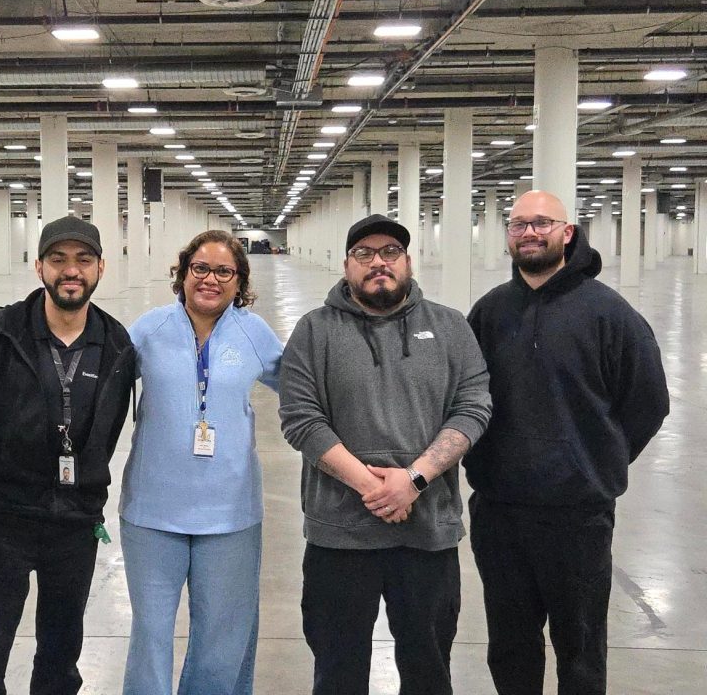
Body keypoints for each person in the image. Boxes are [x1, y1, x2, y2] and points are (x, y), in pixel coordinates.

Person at [465, 190, 669, 695]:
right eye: (518, 225)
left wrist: (595, 459)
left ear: (567, 232)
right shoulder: (490, 311)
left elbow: (648, 402)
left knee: (580, 649)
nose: (529, 233)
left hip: (578, 516)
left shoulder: (609, 313)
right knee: (510, 644)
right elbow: (465, 398)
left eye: (542, 223)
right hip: (500, 512)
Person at [279, 213, 492, 695]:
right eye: (364, 253)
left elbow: (473, 406)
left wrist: (414, 480)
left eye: (391, 252)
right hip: (339, 536)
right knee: (337, 673)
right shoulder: (314, 330)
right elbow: (300, 418)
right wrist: (375, 488)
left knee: (428, 671)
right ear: (347, 265)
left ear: (408, 262)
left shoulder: (450, 326)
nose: (379, 262)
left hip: (427, 532)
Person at [0, 215, 136, 695]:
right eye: (58, 259)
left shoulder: (116, 344)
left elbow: (110, 427)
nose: (71, 270)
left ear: (100, 268)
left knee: (61, 653)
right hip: (1, 522)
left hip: (75, 523)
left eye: (83, 260)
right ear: (39, 268)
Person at [119, 230, 283, 695]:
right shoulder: (149, 329)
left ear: (239, 280)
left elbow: (303, 389)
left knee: (222, 639)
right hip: (152, 511)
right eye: (201, 268)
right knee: (150, 635)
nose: (211, 279)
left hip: (230, 514)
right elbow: (100, 387)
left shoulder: (254, 333)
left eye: (224, 271)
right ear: (184, 272)